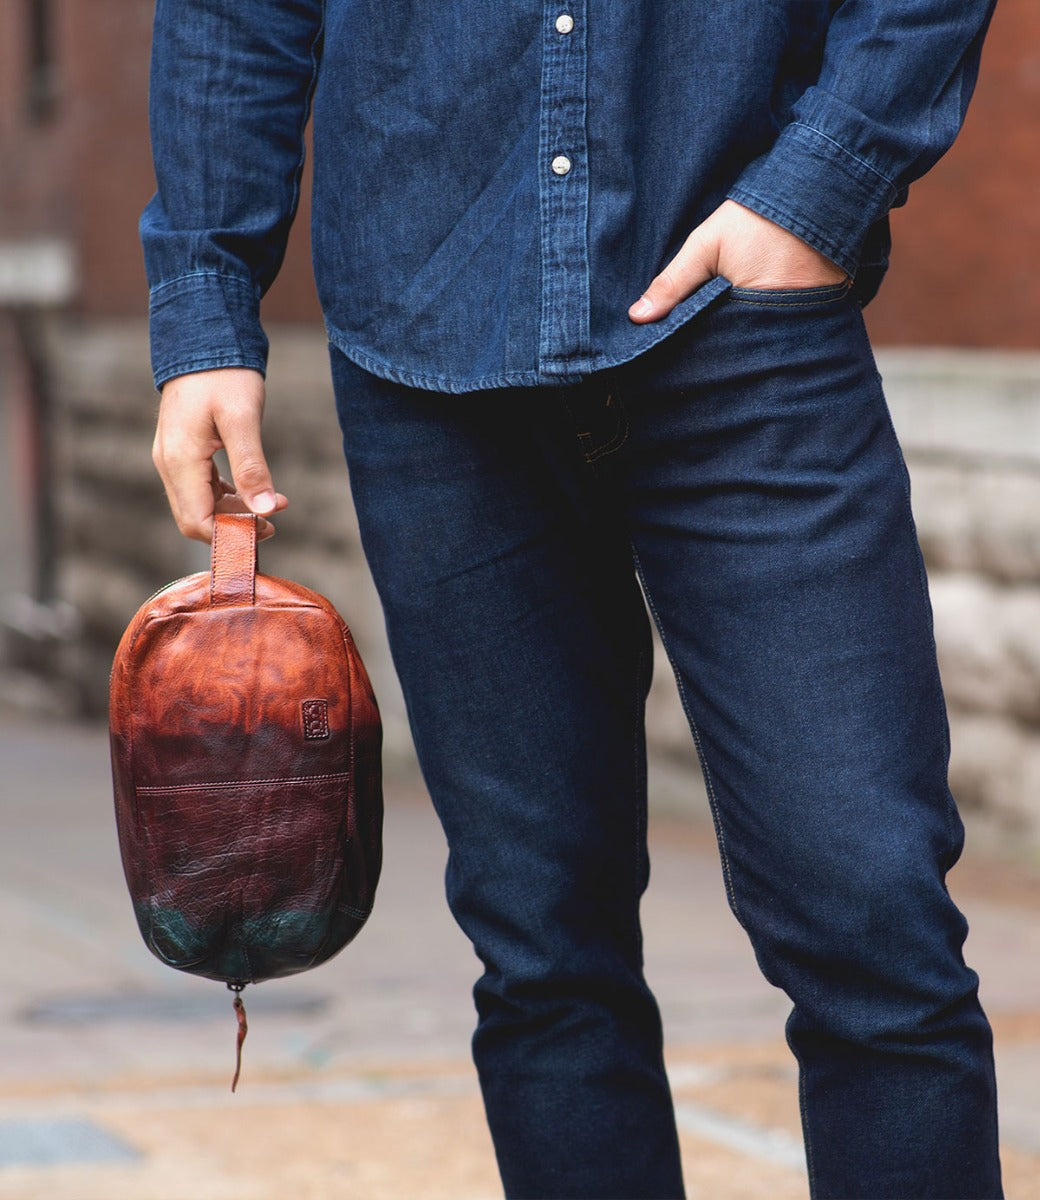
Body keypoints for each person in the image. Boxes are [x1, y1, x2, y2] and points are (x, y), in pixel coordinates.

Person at [141, 2, 1003, 1196]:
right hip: (426, 341)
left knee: (874, 922)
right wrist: (202, 310)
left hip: (740, 322)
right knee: (540, 951)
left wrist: (817, 183)